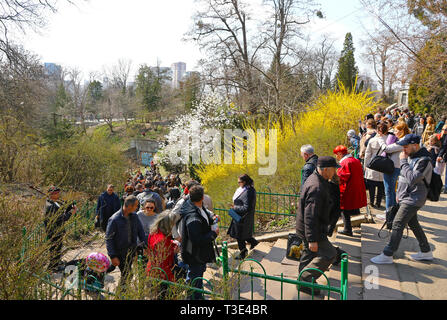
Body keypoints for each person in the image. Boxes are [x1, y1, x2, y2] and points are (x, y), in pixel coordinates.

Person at [371, 134, 434, 264]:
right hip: (407, 197)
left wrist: (403, 162)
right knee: (413, 224)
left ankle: (388, 254)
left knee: (397, 223)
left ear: (415, 145)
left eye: (405, 147)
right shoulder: (412, 157)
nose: (403, 150)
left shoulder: (424, 160)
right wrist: (399, 194)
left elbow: (412, 178)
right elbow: (404, 178)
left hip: (414, 198)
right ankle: (426, 251)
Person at [295, 156, 340, 296]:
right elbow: (310, 216)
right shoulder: (317, 187)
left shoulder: (318, 178)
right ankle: (305, 279)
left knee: (309, 255)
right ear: (325, 169)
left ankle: (304, 284)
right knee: (330, 253)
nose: (335, 172)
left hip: (309, 228)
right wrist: (312, 239)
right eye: (334, 170)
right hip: (313, 230)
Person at [180, 185, 219, 300]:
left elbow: (204, 216)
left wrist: (212, 219)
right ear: (202, 198)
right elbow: (197, 239)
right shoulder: (193, 218)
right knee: (194, 278)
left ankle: (198, 296)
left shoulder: (194, 206)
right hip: (195, 254)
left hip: (198, 252)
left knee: (197, 277)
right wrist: (213, 234)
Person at [105, 196, 148, 289]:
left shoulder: (135, 216)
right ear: (129, 206)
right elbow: (109, 239)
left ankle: (100, 272)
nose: (137, 208)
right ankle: (120, 294)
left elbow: (140, 231)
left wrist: (145, 245)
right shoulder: (114, 219)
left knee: (124, 272)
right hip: (119, 252)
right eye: (136, 206)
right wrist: (113, 256)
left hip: (131, 250)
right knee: (128, 274)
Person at [333, 146, 367, 237]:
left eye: (336, 155)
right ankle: (347, 228)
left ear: (340, 154)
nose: (336, 157)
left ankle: (347, 229)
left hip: (348, 189)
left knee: (344, 210)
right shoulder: (355, 160)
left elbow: (341, 178)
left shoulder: (345, 162)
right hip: (356, 187)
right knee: (347, 209)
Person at [146, 210, 179, 299]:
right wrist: (173, 281)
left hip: (152, 270)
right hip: (160, 276)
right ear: (168, 225)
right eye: (172, 224)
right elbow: (162, 265)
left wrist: (171, 245)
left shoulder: (154, 232)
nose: (174, 226)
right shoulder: (162, 241)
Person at [45, 186, 77, 271]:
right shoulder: (50, 205)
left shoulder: (55, 203)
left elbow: (62, 210)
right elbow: (61, 218)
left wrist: (70, 206)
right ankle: (53, 267)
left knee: (57, 248)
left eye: (58, 192)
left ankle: (56, 263)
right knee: (54, 249)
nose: (58, 194)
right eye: (56, 193)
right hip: (54, 231)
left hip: (58, 230)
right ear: (51, 194)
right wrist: (71, 213)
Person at [228, 174, 259, 260]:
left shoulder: (248, 192)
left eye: (239, 182)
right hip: (241, 217)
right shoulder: (247, 190)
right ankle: (254, 242)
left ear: (244, 182)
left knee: (239, 236)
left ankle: (243, 253)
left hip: (242, 218)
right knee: (243, 234)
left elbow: (247, 207)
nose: (238, 184)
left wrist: (234, 207)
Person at [364, 123, 387, 209]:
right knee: (381, 186)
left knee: (371, 185)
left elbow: (367, 154)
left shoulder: (372, 140)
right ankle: (378, 202)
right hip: (383, 164)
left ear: (377, 130)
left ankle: (372, 202)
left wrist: (365, 165)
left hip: (373, 164)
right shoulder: (388, 140)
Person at [437, 125, 447, 193]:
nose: (444, 130)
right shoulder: (441, 136)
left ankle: (446, 188)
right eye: (443, 129)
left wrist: (440, 155)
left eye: (445, 129)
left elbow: (444, 146)